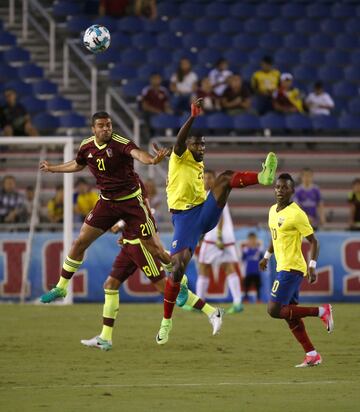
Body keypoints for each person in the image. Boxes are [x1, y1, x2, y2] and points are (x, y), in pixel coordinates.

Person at [155, 98, 278, 344]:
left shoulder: (198, 164)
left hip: (204, 213)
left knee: (224, 178)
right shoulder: (178, 158)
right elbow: (179, 142)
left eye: (203, 144)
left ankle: (263, 176)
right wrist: (192, 118)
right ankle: (166, 322)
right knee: (177, 269)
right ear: (188, 145)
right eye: (197, 144)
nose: (201, 148)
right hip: (185, 220)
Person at [39, 111, 171, 303]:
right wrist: (53, 168)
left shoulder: (120, 142)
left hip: (132, 202)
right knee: (79, 242)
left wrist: (152, 160)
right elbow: (78, 164)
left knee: (156, 250)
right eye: (101, 125)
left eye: (108, 125)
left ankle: (179, 281)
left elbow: (138, 154)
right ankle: (61, 287)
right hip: (107, 203)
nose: (106, 128)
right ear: (93, 129)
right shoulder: (86, 146)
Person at [81, 181, 223, 350]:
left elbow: (145, 213)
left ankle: (212, 312)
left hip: (141, 246)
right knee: (110, 285)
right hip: (128, 245)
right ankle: (105, 337)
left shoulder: (133, 187)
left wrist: (121, 224)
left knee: (166, 288)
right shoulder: (121, 185)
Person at [259, 173, 334, 368]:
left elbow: (314, 241)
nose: (280, 191)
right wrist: (266, 257)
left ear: (292, 191)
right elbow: (275, 237)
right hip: (282, 266)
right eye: (277, 187)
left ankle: (322, 311)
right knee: (289, 315)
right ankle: (312, 354)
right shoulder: (272, 211)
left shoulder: (297, 213)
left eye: (284, 188)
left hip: (292, 268)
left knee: (274, 310)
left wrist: (312, 266)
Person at [197, 170, 243, 314]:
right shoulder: (209, 194)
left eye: (209, 178)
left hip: (216, 237)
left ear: (214, 180)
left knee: (204, 266)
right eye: (204, 178)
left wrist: (218, 236)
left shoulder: (215, 193)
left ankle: (199, 302)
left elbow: (220, 216)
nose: (206, 180)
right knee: (228, 267)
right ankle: (237, 302)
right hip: (222, 236)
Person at [241, 232, 263, 302]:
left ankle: (258, 299)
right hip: (248, 271)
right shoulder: (245, 250)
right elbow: (242, 260)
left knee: (258, 286)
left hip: (257, 271)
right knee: (246, 286)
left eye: (253, 239)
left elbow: (262, 259)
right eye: (250, 239)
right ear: (248, 240)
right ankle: (245, 299)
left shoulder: (259, 250)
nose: (252, 241)